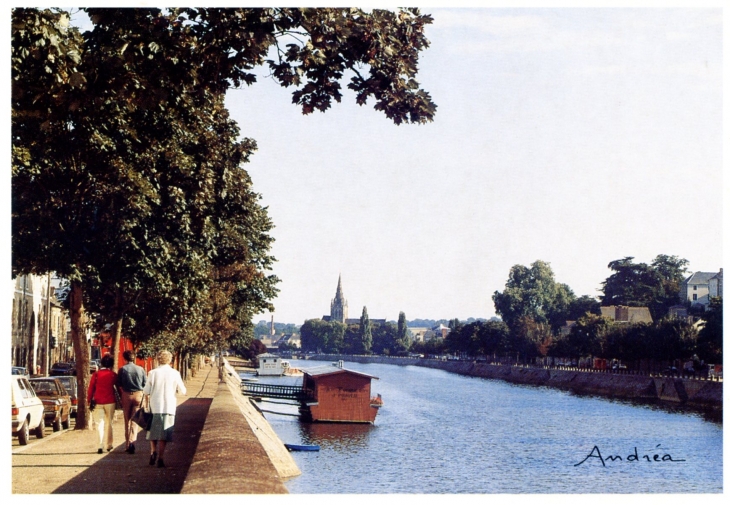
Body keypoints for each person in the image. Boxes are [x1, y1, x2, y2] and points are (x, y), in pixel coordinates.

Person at [143, 350, 186, 468]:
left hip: (154, 406)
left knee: (152, 431)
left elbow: (146, 391)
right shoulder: (175, 373)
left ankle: (153, 451)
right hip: (169, 406)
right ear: (170, 360)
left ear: (157, 359)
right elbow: (183, 391)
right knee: (164, 434)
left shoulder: (152, 373)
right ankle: (161, 458)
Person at [116, 350, 147, 454]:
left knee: (127, 420)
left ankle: (127, 445)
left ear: (125, 358)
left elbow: (118, 383)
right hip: (138, 394)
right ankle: (132, 442)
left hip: (126, 395)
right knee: (135, 419)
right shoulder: (141, 369)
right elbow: (145, 383)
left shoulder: (123, 369)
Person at [88, 353, 119, 454]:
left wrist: (89, 401)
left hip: (97, 401)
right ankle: (109, 445)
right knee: (109, 423)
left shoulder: (96, 375)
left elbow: (91, 389)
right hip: (110, 401)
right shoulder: (113, 375)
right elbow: (118, 387)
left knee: (98, 424)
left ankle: (100, 445)